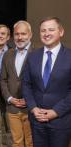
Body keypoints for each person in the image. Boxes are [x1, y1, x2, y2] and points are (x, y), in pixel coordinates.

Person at [23, 17, 71, 147]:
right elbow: (26, 85)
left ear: (61, 32)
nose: (46, 33)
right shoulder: (33, 57)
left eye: (51, 29)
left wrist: (55, 112)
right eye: (43, 30)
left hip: (61, 120)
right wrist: (33, 108)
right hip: (37, 120)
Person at [0, 20, 33, 147]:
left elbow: (40, 82)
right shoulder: (8, 54)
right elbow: (3, 79)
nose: (20, 37)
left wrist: (29, 99)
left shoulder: (37, 54)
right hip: (12, 107)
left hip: (30, 108)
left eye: (23, 34)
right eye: (17, 34)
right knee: (16, 142)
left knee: (31, 142)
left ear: (30, 35)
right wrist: (9, 98)